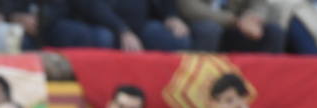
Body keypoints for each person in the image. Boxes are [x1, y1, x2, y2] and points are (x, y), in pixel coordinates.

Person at [44, 0, 215, 51]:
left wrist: (171, 16)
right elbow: (91, 6)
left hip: (141, 24)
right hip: (104, 24)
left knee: (177, 39)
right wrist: (122, 30)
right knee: (104, 38)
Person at [175, 0, 286, 52]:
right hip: (201, 25)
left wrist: (252, 17)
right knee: (209, 29)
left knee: (274, 32)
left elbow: (260, 4)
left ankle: (268, 81)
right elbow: (189, 7)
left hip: (238, 28)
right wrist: (235, 21)